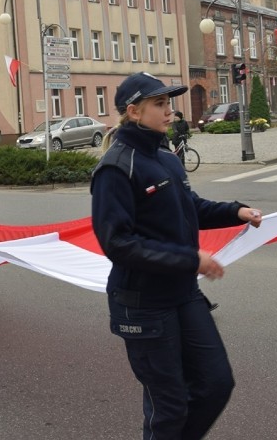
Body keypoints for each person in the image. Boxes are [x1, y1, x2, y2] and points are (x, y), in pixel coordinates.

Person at [90, 72, 263, 440]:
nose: (169, 111)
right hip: (143, 304)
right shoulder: (116, 168)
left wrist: (236, 211)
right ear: (134, 112)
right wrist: (190, 258)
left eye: (168, 103)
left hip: (182, 294)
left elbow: (191, 207)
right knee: (169, 407)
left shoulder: (166, 158)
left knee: (217, 383)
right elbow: (117, 244)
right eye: (160, 104)